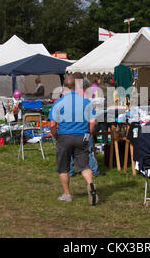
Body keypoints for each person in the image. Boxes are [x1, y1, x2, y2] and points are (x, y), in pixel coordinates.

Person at [49, 75, 99, 205]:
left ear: (63, 87)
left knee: (63, 167)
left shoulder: (58, 103)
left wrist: (56, 137)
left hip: (64, 136)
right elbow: (93, 122)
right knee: (84, 165)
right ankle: (90, 184)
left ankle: (67, 194)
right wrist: (88, 133)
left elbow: (52, 125)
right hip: (81, 136)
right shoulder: (85, 102)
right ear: (76, 87)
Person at [69, 75, 104, 177]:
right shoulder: (84, 99)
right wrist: (90, 131)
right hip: (83, 128)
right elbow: (92, 119)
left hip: (70, 128)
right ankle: (93, 170)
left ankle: (70, 172)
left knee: (71, 151)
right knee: (86, 151)